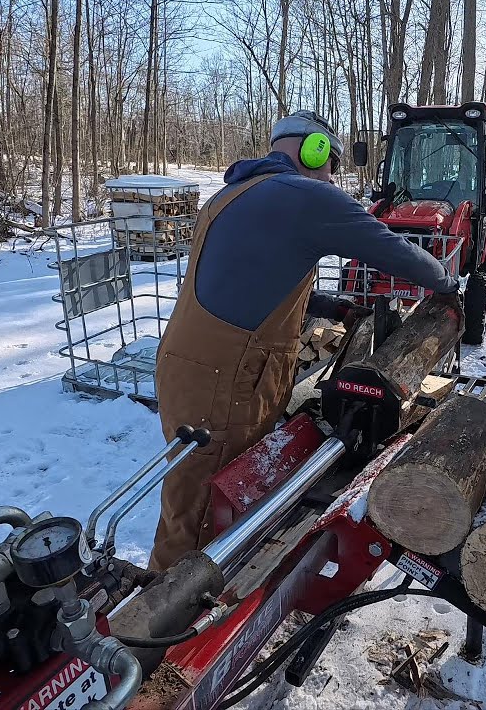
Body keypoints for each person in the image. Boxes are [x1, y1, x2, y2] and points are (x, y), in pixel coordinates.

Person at [147, 110, 460, 571]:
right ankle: (168, 607)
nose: (331, 174)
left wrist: (332, 308)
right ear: (315, 150)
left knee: (194, 489)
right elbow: (394, 251)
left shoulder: (232, 193)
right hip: (225, 376)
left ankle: (199, 586)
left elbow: (257, 280)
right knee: (200, 509)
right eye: (331, 162)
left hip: (188, 366)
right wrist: (448, 282)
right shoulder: (307, 194)